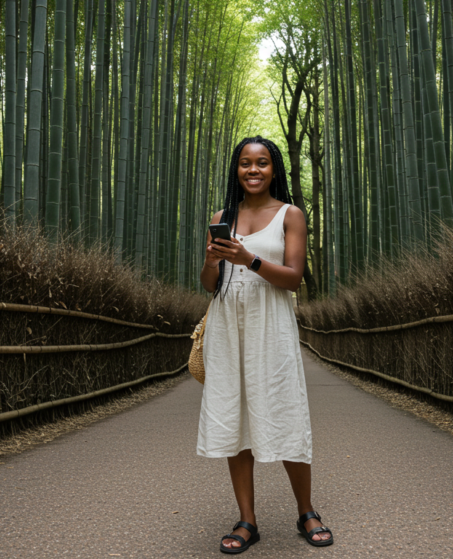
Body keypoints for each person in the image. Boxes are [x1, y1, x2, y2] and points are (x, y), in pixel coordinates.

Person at [198, 137, 333, 554]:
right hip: (228, 325)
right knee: (233, 417)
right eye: (244, 163)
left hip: (270, 326)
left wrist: (249, 259)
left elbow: (294, 278)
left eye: (261, 163)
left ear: (274, 169)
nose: (253, 170)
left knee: (284, 409)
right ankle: (247, 520)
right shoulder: (222, 216)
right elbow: (210, 285)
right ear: (236, 170)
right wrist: (212, 261)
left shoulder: (290, 214)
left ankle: (307, 511)